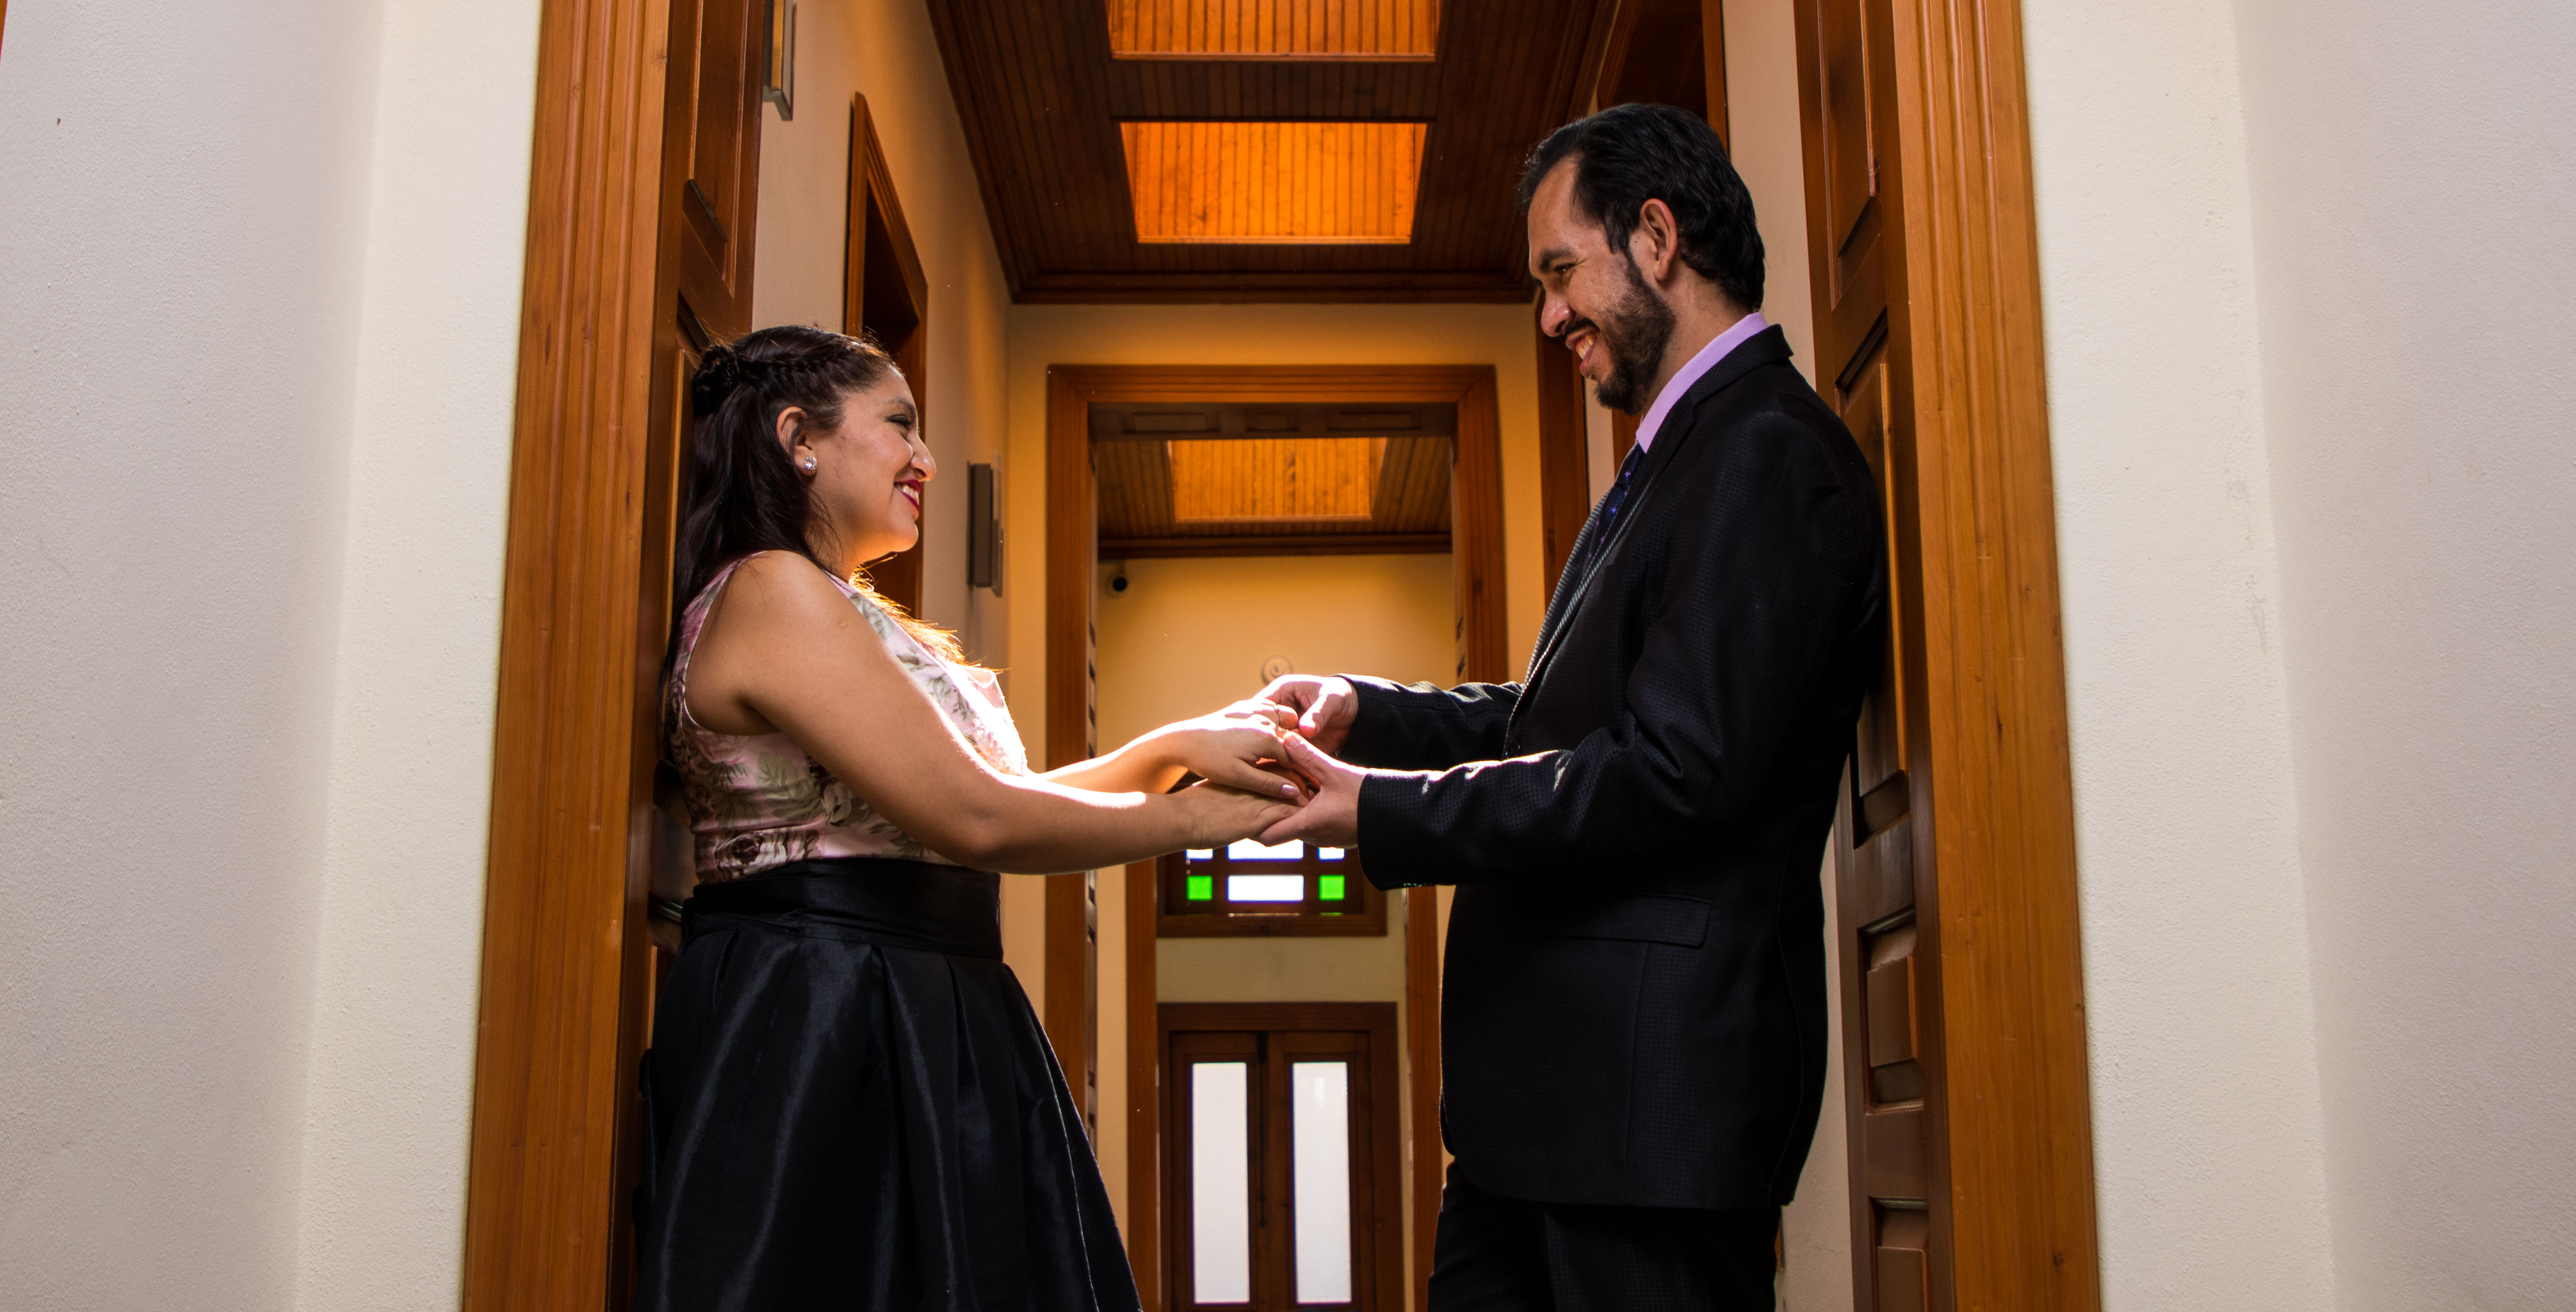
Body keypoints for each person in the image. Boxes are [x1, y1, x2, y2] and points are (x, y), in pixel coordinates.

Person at [1255, 105, 1888, 1311]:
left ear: (1656, 237)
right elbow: (1555, 725)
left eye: (1559, 273)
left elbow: (1672, 771)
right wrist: (1365, 714)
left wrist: (1379, 811)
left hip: (1645, 1132)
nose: (1549, 317)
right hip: (1543, 1132)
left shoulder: (1767, 450)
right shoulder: (1678, 455)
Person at [635, 325, 1297, 1312]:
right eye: (900, 424)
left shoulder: (842, 607)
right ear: (799, 438)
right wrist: (1198, 819)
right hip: (822, 1005)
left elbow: (982, 802)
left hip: (917, 994)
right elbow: (978, 819)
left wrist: (1171, 750)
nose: (926, 460)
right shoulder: (772, 590)